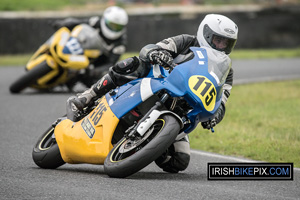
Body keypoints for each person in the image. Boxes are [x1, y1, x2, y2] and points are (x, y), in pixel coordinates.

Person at [67, 14, 238, 173]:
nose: (222, 46)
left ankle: (148, 143)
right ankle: (88, 96)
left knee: (179, 161)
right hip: (158, 83)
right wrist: (157, 53)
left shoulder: (226, 71)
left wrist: (215, 116)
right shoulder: (186, 41)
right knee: (131, 64)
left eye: (227, 43)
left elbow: (222, 101)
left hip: (183, 110)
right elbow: (150, 49)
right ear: (206, 34)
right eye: (218, 40)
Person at [53, 6, 129, 85]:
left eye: (117, 27)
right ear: (105, 20)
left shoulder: (120, 43)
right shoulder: (97, 22)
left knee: (96, 81)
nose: (114, 28)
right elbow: (79, 22)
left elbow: (111, 63)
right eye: (112, 25)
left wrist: (96, 70)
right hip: (81, 46)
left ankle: (72, 79)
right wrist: (64, 23)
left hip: (94, 64)